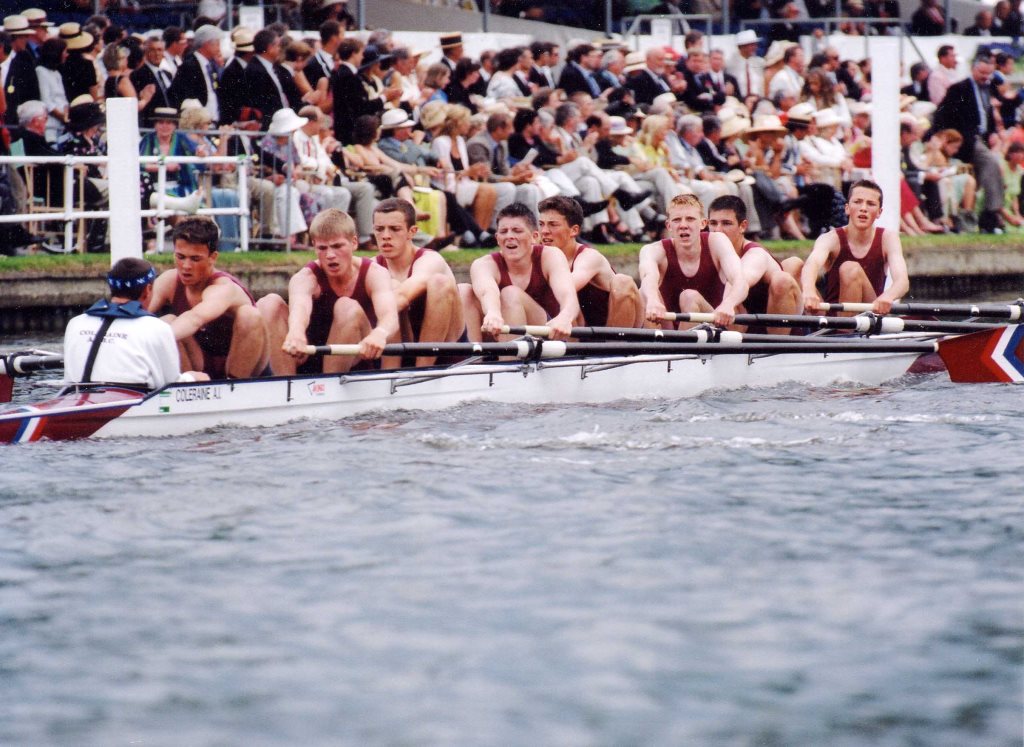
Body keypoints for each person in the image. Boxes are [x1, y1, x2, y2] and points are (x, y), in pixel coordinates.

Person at [257, 208, 399, 375]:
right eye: (322, 248)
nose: (330, 255)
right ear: (314, 247)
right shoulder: (305, 278)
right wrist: (296, 332)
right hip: (306, 356)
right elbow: (299, 310)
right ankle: (287, 384)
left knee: (346, 306)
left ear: (354, 243)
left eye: (337, 246)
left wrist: (379, 334)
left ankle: (329, 384)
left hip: (358, 358)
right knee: (268, 304)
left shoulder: (375, 273)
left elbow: (390, 317)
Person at [149, 216, 271, 379]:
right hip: (201, 363)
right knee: (167, 321)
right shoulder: (169, 281)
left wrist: (150, 341)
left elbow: (195, 318)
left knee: (250, 315)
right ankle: (183, 387)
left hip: (245, 366)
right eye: (180, 257)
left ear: (212, 258)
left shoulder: (223, 288)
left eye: (195, 259)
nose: (186, 266)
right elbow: (138, 312)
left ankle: (233, 387)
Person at [64, 258, 208, 389]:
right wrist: (193, 377)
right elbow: (170, 384)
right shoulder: (157, 328)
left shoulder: (75, 323)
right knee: (201, 377)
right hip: (130, 403)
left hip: (77, 397)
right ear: (148, 290)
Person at [461, 202, 579, 342]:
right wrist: (493, 313)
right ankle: (474, 356)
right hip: (503, 328)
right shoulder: (483, 264)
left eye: (517, 231)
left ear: (535, 237)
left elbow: (568, 296)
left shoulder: (551, 256)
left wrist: (565, 317)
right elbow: (487, 292)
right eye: (504, 232)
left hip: (552, 333)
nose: (509, 236)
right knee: (463, 291)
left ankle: (510, 362)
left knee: (510, 294)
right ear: (498, 239)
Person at [369, 198, 466, 366]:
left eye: (394, 229)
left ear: (412, 232)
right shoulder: (372, 266)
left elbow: (404, 296)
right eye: (379, 229)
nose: (385, 236)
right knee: (390, 285)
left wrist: (380, 330)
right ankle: (389, 372)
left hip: (447, 351)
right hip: (404, 347)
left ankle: (422, 370)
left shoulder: (430, 259)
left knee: (439, 283)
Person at [638, 193, 748, 329]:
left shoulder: (717, 241)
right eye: (677, 220)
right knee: (644, 291)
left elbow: (740, 281)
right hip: (670, 330)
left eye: (690, 219)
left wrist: (728, 304)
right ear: (668, 225)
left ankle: (681, 348)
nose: (683, 225)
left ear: (703, 223)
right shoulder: (652, 250)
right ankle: (656, 347)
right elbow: (648, 277)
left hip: (715, 323)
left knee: (689, 297)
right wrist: (653, 301)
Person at [800, 179, 909, 314]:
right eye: (857, 202)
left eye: (870, 204)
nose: (863, 208)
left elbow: (902, 281)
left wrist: (888, 296)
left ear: (879, 212)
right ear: (847, 208)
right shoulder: (830, 238)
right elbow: (812, 264)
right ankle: (792, 332)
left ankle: (846, 333)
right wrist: (809, 290)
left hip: (870, 312)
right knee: (793, 265)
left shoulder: (888, 238)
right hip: (831, 315)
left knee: (850, 268)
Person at [537, 196, 642, 328]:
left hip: (613, 331)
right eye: (541, 224)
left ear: (574, 230)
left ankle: (616, 347)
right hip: (578, 331)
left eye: (553, 224)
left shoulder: (589, 257)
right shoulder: (538, 255)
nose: (544, 231)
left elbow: (565, 288)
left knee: (623, 281)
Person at [706, 195, 801, 335]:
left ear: (743, 226)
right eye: (713, 223)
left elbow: (739, 280)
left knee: (782, 279)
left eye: (726, 223)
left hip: (777, 328)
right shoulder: (706, 249)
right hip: (740, 327)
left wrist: (727, 304)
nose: (718, 230)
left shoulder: (755, 253)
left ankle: (776, 348)